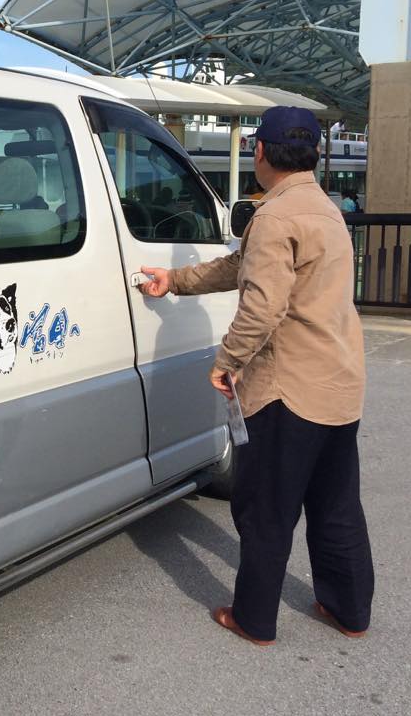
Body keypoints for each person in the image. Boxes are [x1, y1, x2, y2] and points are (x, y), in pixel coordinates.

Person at [138, 106, 372, 646]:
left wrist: (228, 361)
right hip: (339, 383)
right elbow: (241, 265)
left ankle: (255, 618)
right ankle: (349, 610)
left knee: (266, 507)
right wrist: (176, 279)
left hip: (290, 390)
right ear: (313, 153)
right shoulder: (326, 209)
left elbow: (263, 306)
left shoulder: (273, 217)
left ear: (260, 151)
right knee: (336, 506)